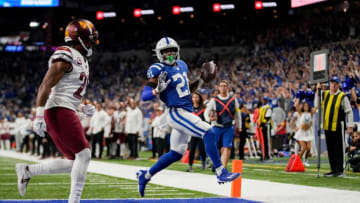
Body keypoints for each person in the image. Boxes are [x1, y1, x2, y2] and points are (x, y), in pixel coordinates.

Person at [138, 37, 240, 197]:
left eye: (172, 50)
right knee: (208, 131)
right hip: (176, 112)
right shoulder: (158, 69)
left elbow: (186, 90)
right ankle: (221, 171)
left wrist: (200, 80)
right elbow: (145, 95)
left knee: (176, 153)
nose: (169, 54)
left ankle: (146, 176)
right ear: (159, 54)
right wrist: (157, 90)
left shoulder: (182, 65)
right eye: (165, 52)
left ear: (177, 51)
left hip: (185, 111)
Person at [15, 19, 98, 203]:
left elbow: (68, 92)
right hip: (58, 109)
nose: (92, 43)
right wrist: (38, 115)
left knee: (72, 161)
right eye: (90, 39)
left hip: (65, 108)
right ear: (80, 38)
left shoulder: (82, 60)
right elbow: (46, 84)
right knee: (84, 154)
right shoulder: (66, 53)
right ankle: (74, 201)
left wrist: (82, 108)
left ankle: (27, 171)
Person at [316, 75, 354, 177]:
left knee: (339, 148)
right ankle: (333, 169)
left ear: (338, 85)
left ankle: (340, 170)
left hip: (338, 125)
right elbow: (317, 104)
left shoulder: (342, 96)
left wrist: (350, 125)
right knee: (331, 149)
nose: (333, 85)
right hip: (327, 126)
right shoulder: (325, 94)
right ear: (330, 83)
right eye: (332, 82)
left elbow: (349, 111)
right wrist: (318, 91)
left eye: (336, 83)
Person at [205, 80, 242, 169]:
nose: (223, 87)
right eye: (221, 86)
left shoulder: (233, 100)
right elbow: (206, 112)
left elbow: (238, 114)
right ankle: (215, 163)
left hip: (228, 127)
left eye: (225, 85)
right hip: (216, 126)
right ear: (219, 87)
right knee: (215, 147)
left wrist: (239, 126)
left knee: (227, 147)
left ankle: (223, 167)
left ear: (228, 87)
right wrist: (209, 120)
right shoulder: (214, 100)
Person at [187, 92, 207, 172]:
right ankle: (190, 165)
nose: (195, 99)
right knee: (191, 149)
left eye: (196, 97)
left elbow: (205, 120)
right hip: (192, 132)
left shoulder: (203, 109)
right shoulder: (189, 109)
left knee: (202, 149)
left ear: (199, 99)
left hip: (200, 132)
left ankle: (204, 163)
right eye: (193, 97)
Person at [293, 99, 315, 167]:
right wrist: (297, 100)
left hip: (308, 133)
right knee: (304, 148)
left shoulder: (310, 113)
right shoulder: (300, 113)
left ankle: (305, 160)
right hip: (301, 133)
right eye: (304, 105)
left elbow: (316, 107)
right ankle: (298, 161)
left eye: (307, 105)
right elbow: (296, 106)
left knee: (308, 149)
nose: (306, 106)